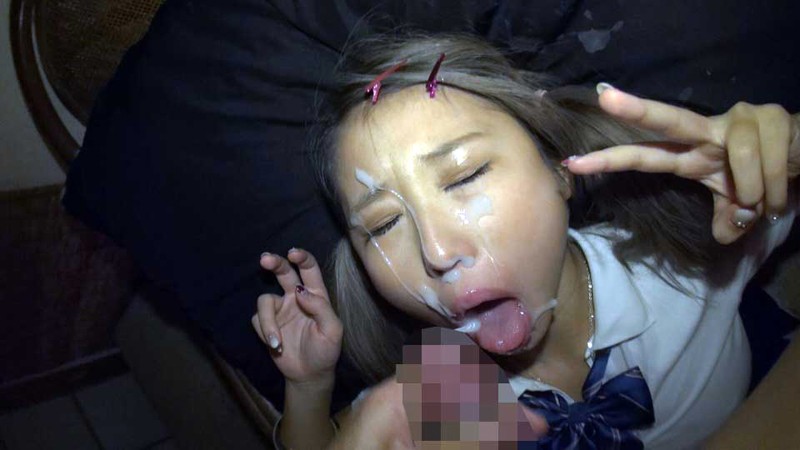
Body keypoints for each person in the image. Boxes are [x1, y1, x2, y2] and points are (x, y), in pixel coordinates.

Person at [250, 32, 799, 449]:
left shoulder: (684, 257)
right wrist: (309, 389)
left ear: (558, 168)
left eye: (465, 176)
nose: (438, 252)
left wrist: (787, 151)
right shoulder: (430, 398)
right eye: (384, 225)